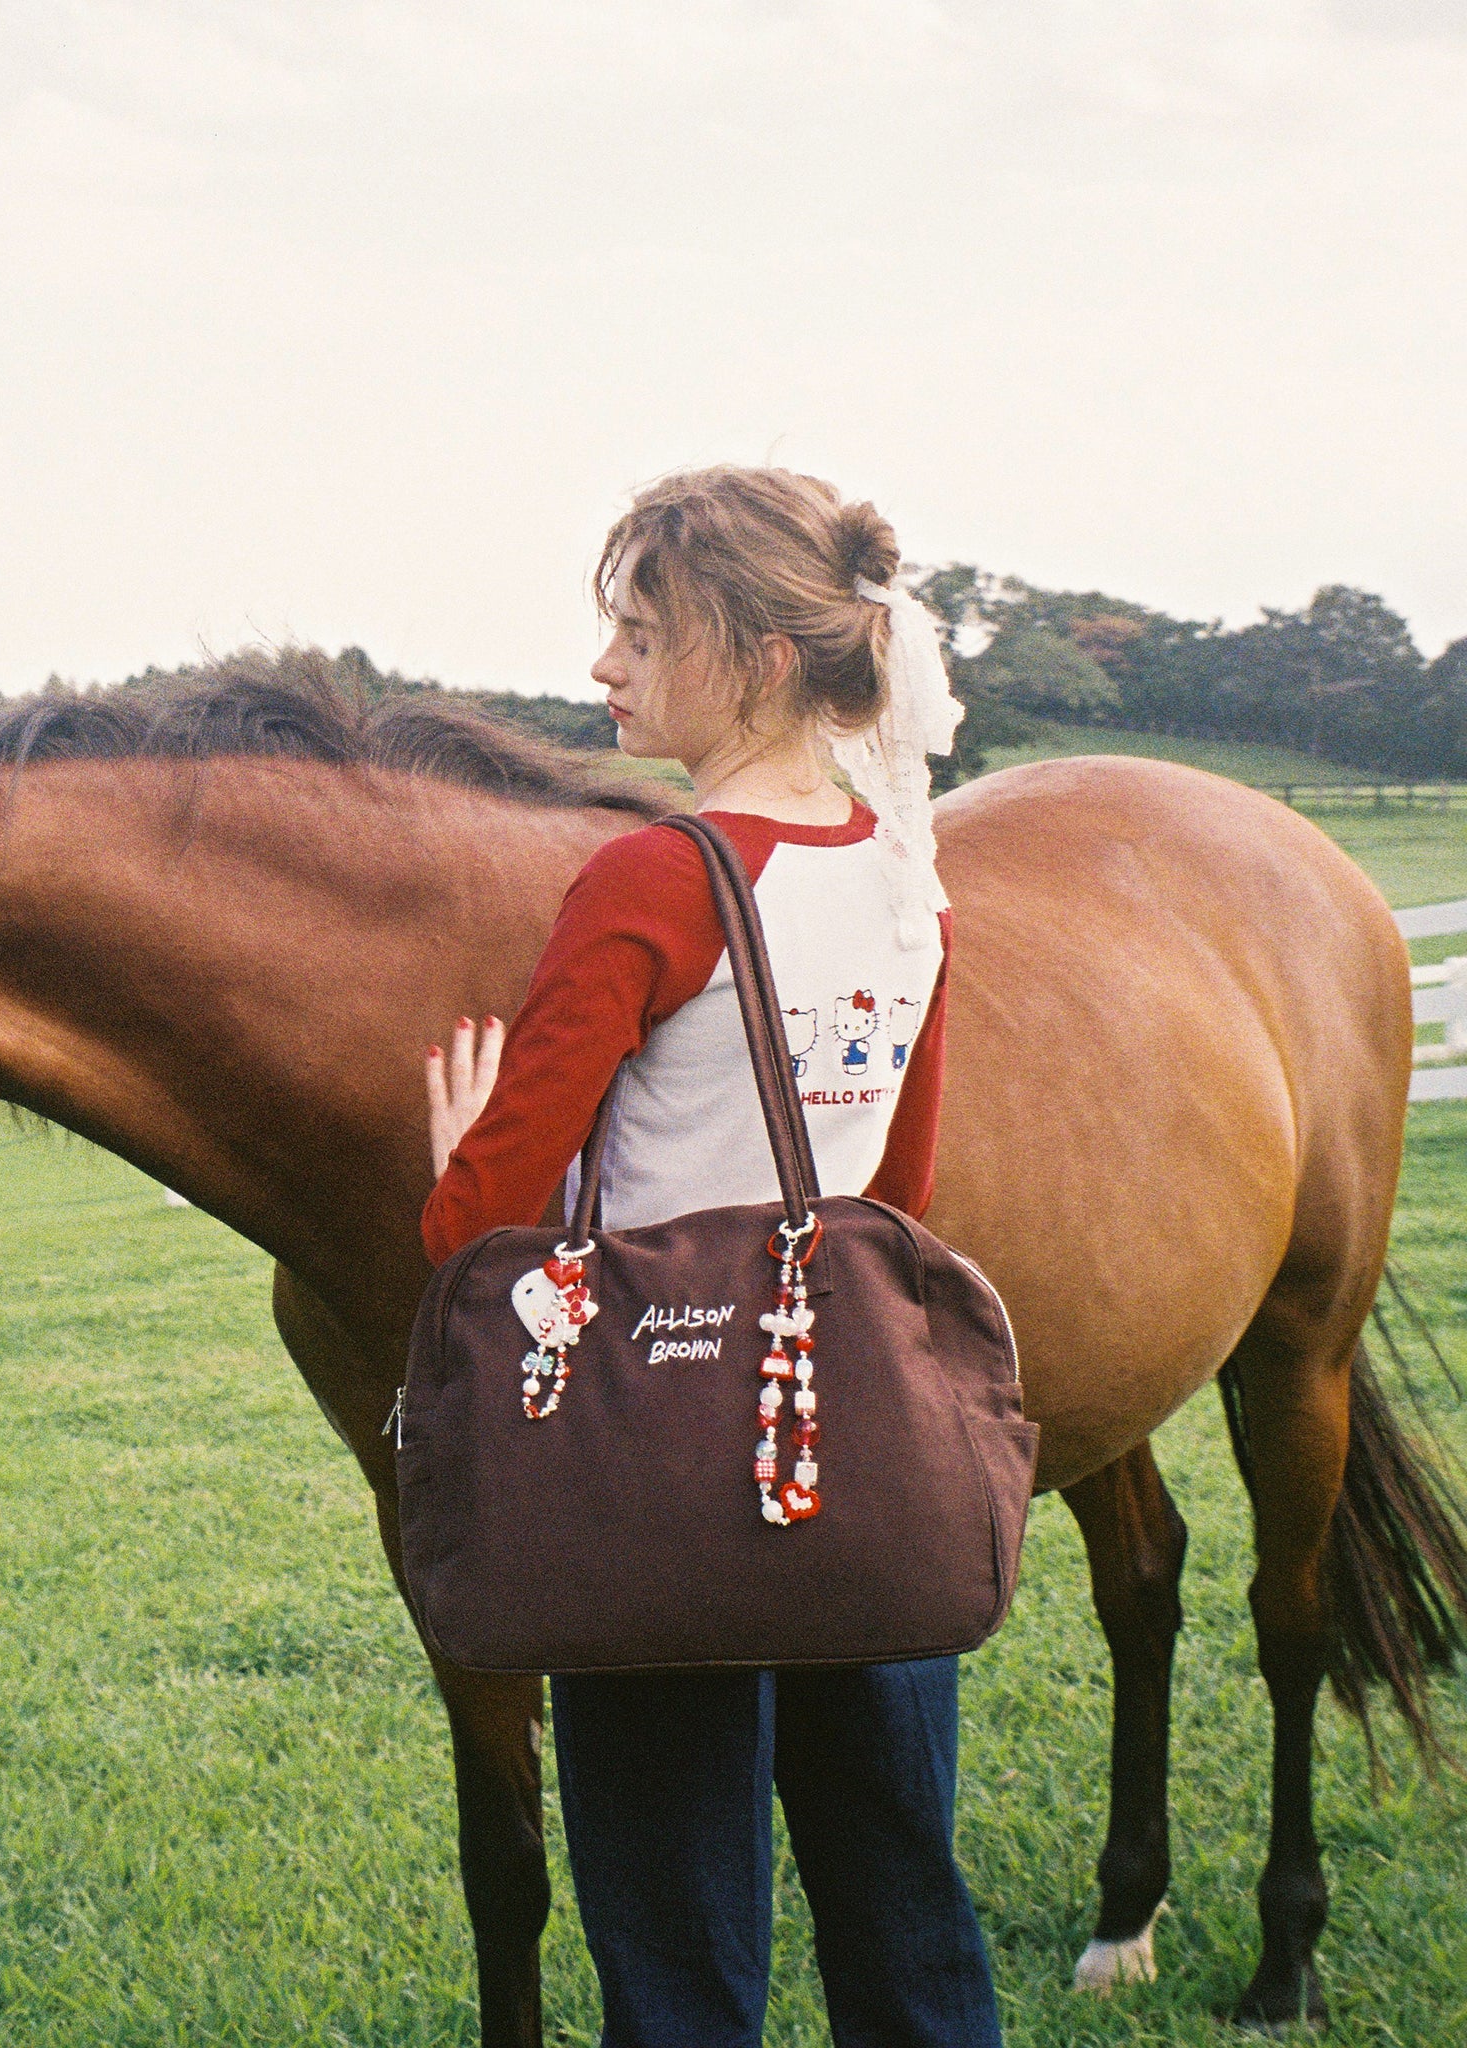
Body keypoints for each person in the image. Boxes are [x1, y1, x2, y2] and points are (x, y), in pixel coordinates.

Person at [420, 465, 1002, 2048]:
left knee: (678, 1952)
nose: (603, 665)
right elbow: (901, 1195)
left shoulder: (656, 878)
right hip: (855, 1451)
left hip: (655, 1465)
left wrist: (458, 1155)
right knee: (906, 1909)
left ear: (748, 656)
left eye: (636, 629)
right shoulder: (907, 884)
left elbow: (481, 1227)